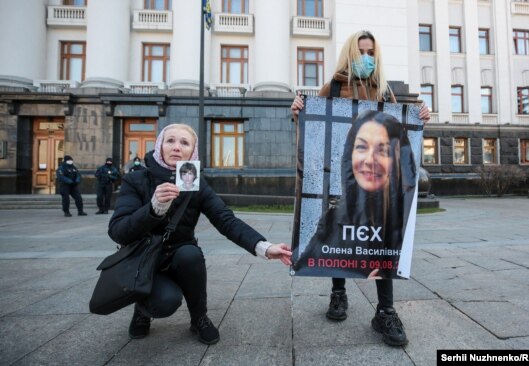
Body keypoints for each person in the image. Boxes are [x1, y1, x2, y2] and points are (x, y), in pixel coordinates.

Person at [290, 30, 430, 347]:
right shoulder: (335, 86)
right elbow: (314, 120)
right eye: (360, 51)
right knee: (341, 225)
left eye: (370, 52)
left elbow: (400, 126)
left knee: (382, 238)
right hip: (347, 173)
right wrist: (298, 109)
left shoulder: (382, 90)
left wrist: (420, 116)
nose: (366, 57)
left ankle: (386, 310)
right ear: (350, 54)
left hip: (380, 184)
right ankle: (338, 292)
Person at [108, 123, 292, 345]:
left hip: (179, 255)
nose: (176, 147)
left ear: (193, 151)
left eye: (184, 143)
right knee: (164, 303)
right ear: (160, 146)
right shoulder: (136, 180)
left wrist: (264, 247)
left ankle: (199, 318)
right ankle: (142, 311)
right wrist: (153, 208)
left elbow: (226, 220)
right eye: (170, 141)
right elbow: (118, 231)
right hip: (145, 258)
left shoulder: (194, 182)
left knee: (190, 254)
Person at [293, 111, 417, 279]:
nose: (369, 160)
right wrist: (298, 115)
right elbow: (305, 264)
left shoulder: (404, 220)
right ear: (349, 155)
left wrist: (420, 119)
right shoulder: (332, 218)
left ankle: (386, 305)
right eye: (361, 147)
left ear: (397, 161)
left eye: (383, 151)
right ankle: (338, 295)